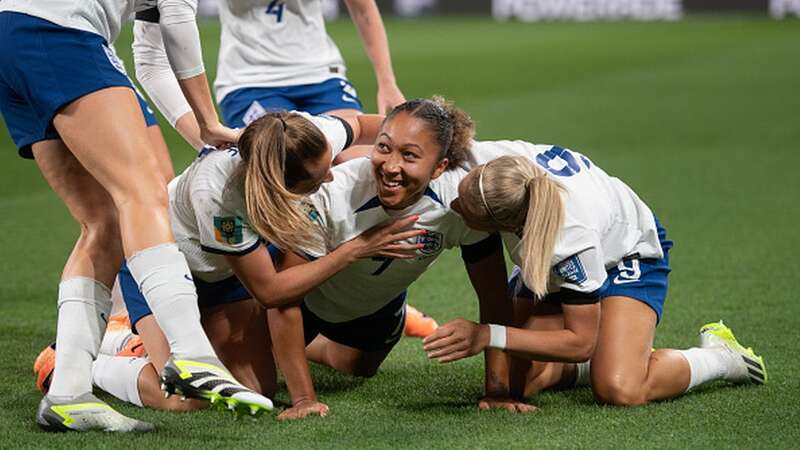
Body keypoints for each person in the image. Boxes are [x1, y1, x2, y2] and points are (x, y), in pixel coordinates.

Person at [0, 0, 274, 432]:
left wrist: (205, 138)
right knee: (145, 194)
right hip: (60, 31)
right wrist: (208, 120)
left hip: (20, 31)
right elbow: (179, 21)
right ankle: (193, 354)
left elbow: (151, 50)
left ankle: (69, 392)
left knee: (104, 221)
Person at [74, 110, 425, 420]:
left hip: (225, 272)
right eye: (317, 179)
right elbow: (270, 292)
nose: (329, 179)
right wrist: (352, 251)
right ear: (277, 184)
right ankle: (96, 362)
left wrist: (418, 149)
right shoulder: (222, 197)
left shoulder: (296, 137)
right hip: (164, 271)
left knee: (256, 390)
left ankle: (155, 340)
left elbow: (363, 124)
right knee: (188, 397)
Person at [423, 145, 768, 407]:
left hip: (625, 254)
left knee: (619, 387)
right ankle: (603, 359)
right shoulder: (494, 167)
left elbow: (579, 341)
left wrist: (488, 334)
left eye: (465, 211)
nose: (455, 206)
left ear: (508, 225)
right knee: (520, 383)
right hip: (551, 254)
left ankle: (721, 357)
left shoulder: (568, 241)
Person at [268, 98, 527, 413]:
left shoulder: (458, 204)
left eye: (409, 156)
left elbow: (494, 297)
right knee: (259, 381)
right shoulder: (331, 195)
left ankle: (400, 319)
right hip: (310, 300)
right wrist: (304, 399)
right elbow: (284, 297)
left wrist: (498, 392)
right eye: (383, 148)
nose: (391, 166)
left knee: (357, 367)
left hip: (377, 304)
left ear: (439, 168)